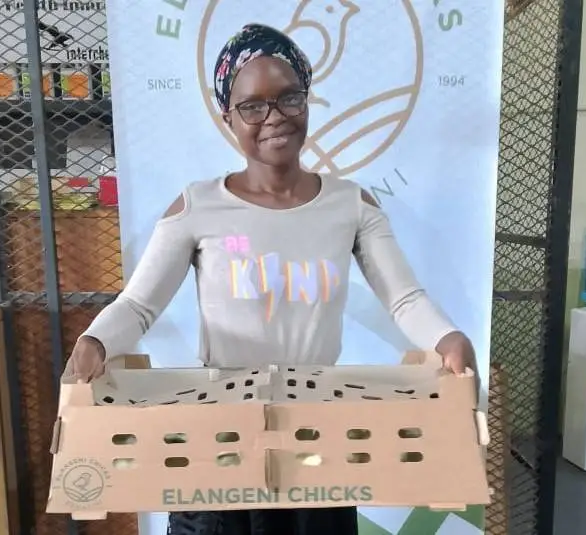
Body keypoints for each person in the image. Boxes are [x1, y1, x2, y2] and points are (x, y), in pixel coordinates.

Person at [68, 22, 477, 535]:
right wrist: (95, 341)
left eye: (289, 98)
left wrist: (448, 339)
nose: (274, 117)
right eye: (252, 106)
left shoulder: (351, 204)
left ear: (307, 101)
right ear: (228, 117)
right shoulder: (197, 206)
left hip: (318, 445)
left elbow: (404, 299)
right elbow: (138, 306)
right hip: (219, 447)